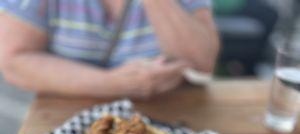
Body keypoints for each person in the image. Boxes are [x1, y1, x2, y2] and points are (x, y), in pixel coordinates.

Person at [0, 0, 219, 99]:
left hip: (172, 118)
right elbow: (13, 61)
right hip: (64, 119)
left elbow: (201, 63)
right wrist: (114, 83)